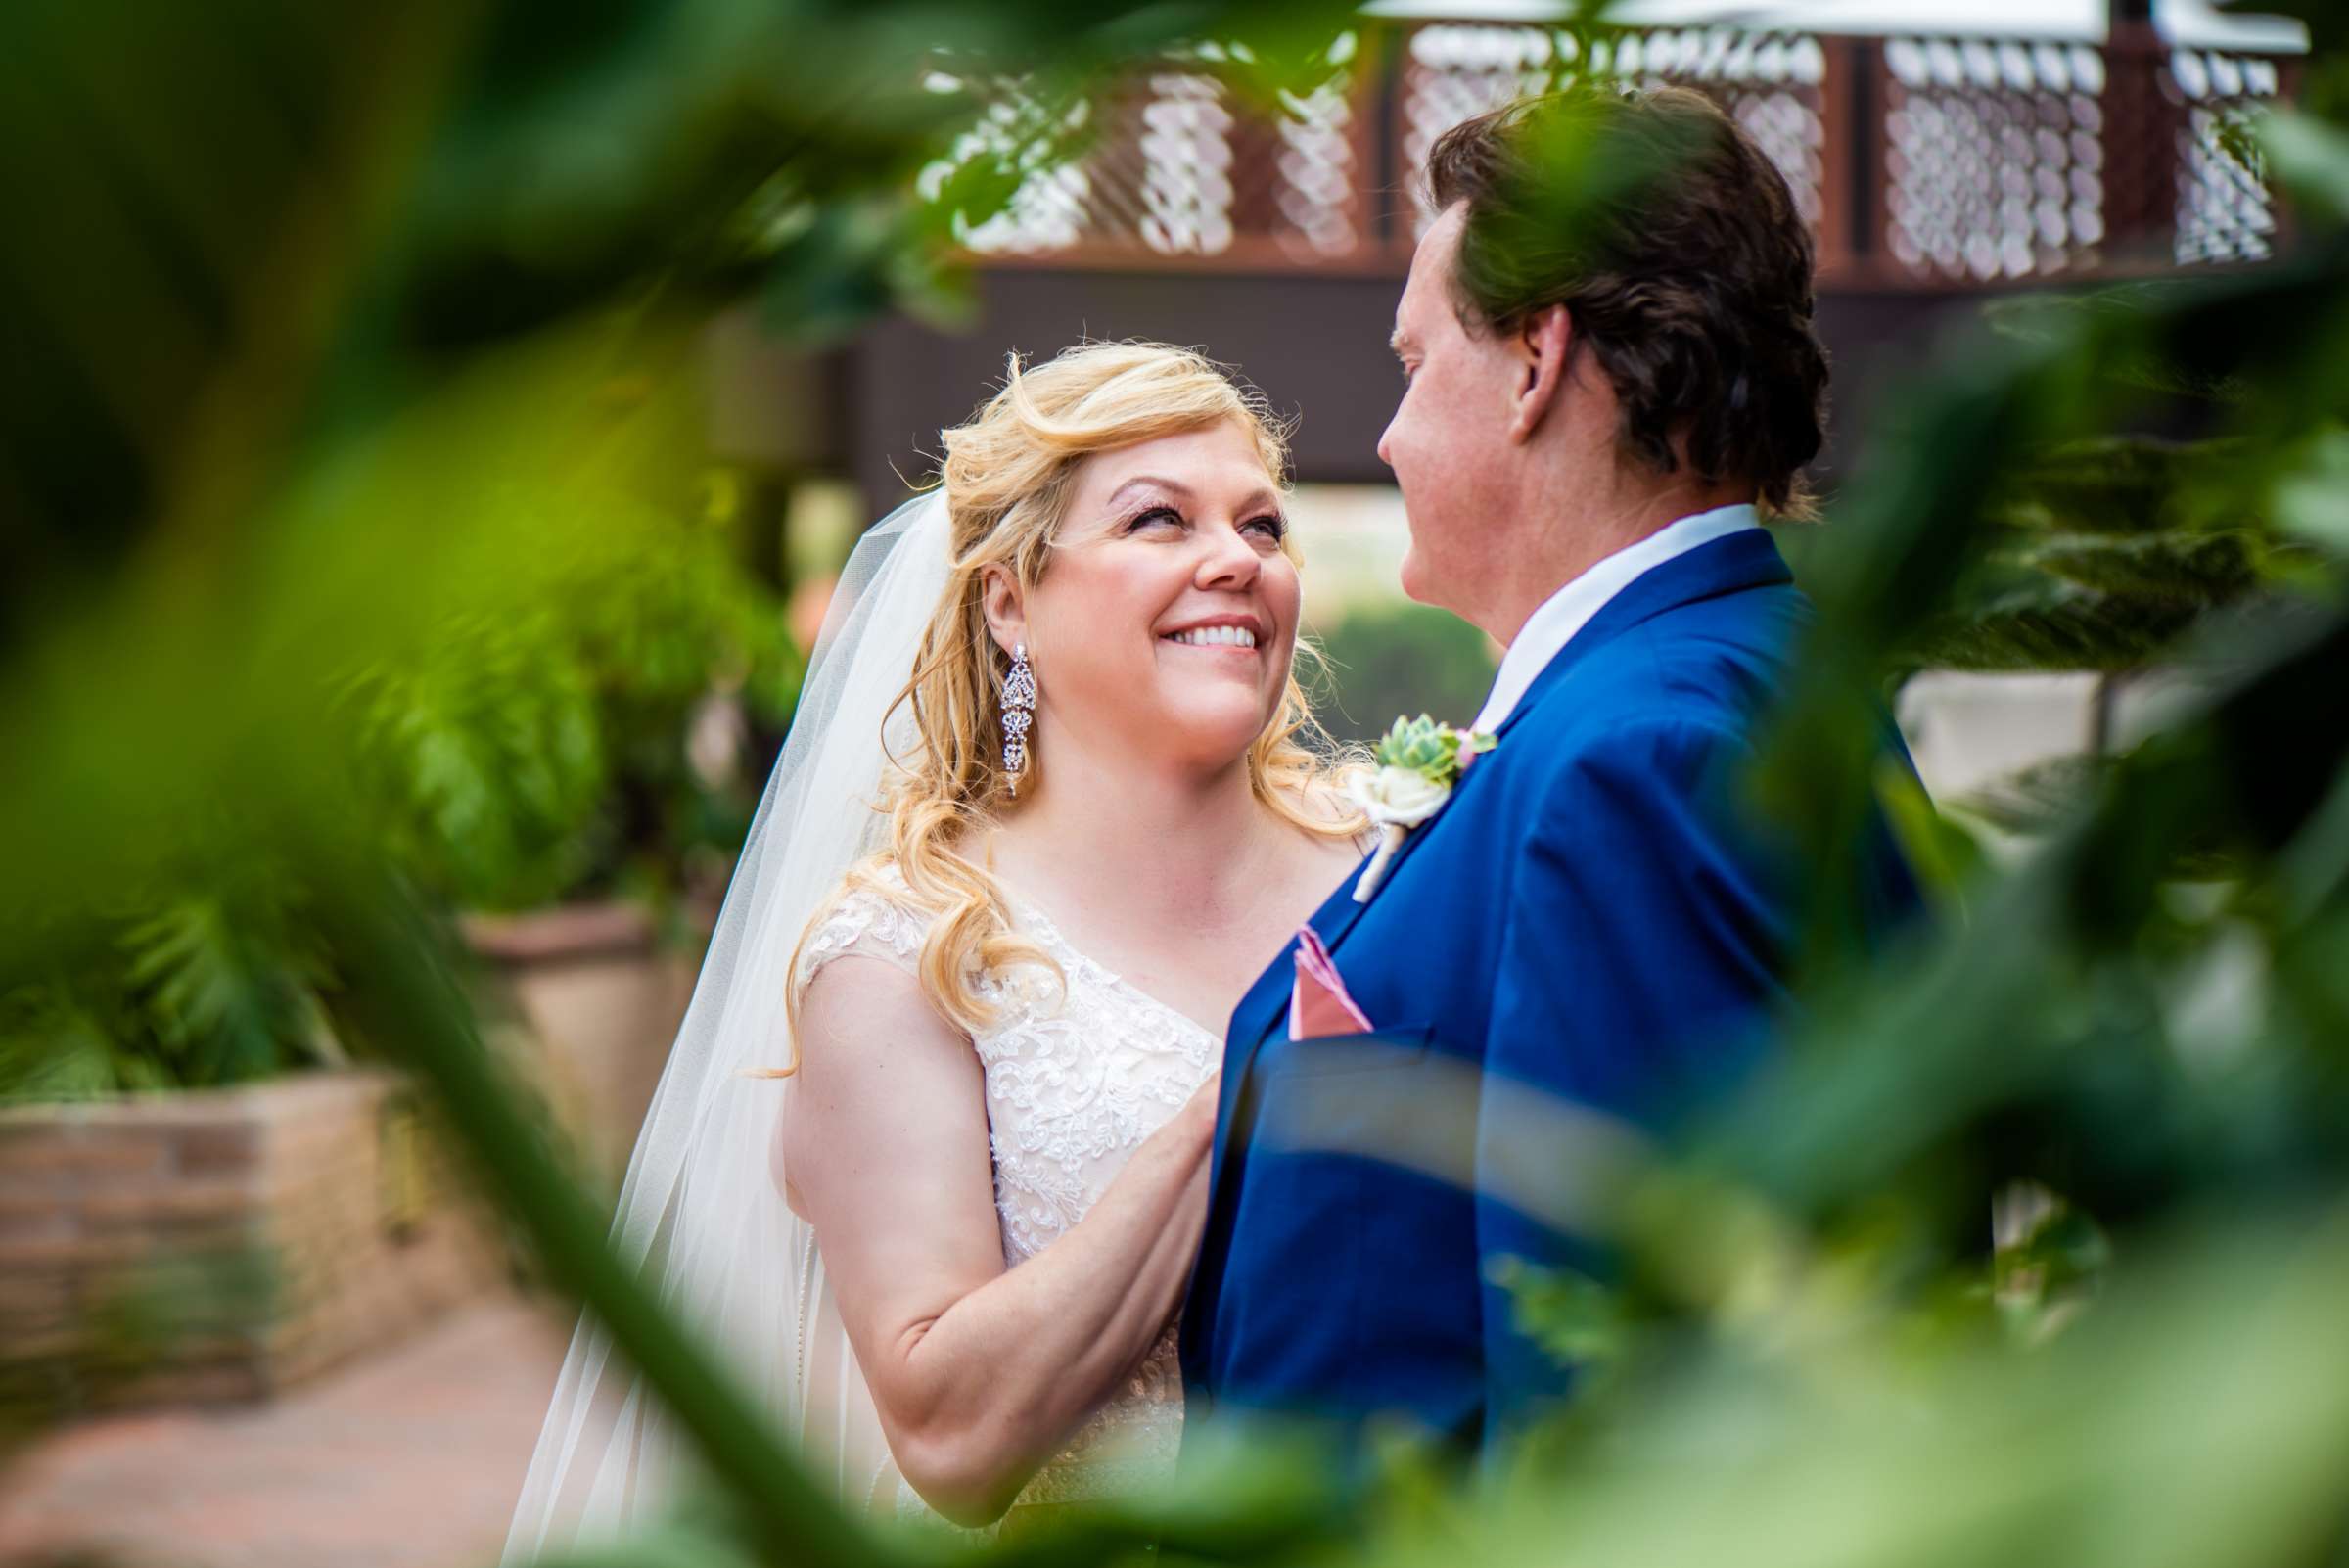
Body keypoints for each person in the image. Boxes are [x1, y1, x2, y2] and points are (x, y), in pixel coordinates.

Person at [503, 342, 1368, 1556]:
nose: (1238, 559)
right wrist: (1243, 1083)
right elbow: (951, 1436)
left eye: (1264, 526)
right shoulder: (908, 951)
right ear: (1010, 600)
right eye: (1159, 520)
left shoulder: (1396, 861)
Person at [1179, 86, 1924, 1451]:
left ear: (1535, 363)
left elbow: (1638, 1420)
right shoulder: (1721, 690)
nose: (1392, 433)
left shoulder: (1647, 759)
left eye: (1415, 361)